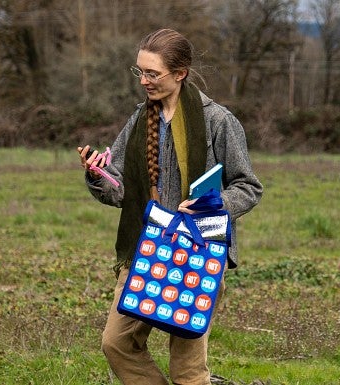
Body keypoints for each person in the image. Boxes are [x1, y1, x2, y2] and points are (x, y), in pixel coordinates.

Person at [79, 28, 263, 385]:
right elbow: (118, 192)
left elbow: (249, 187)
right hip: (144, 251)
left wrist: (212, 204)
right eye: (140, 72)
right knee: (116, 344)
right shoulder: (138, 119)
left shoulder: (218, 121)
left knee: (188, 371)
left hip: (199, 254)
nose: (144, 81)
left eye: (152, 73)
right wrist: (98, 174)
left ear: (180, 73)